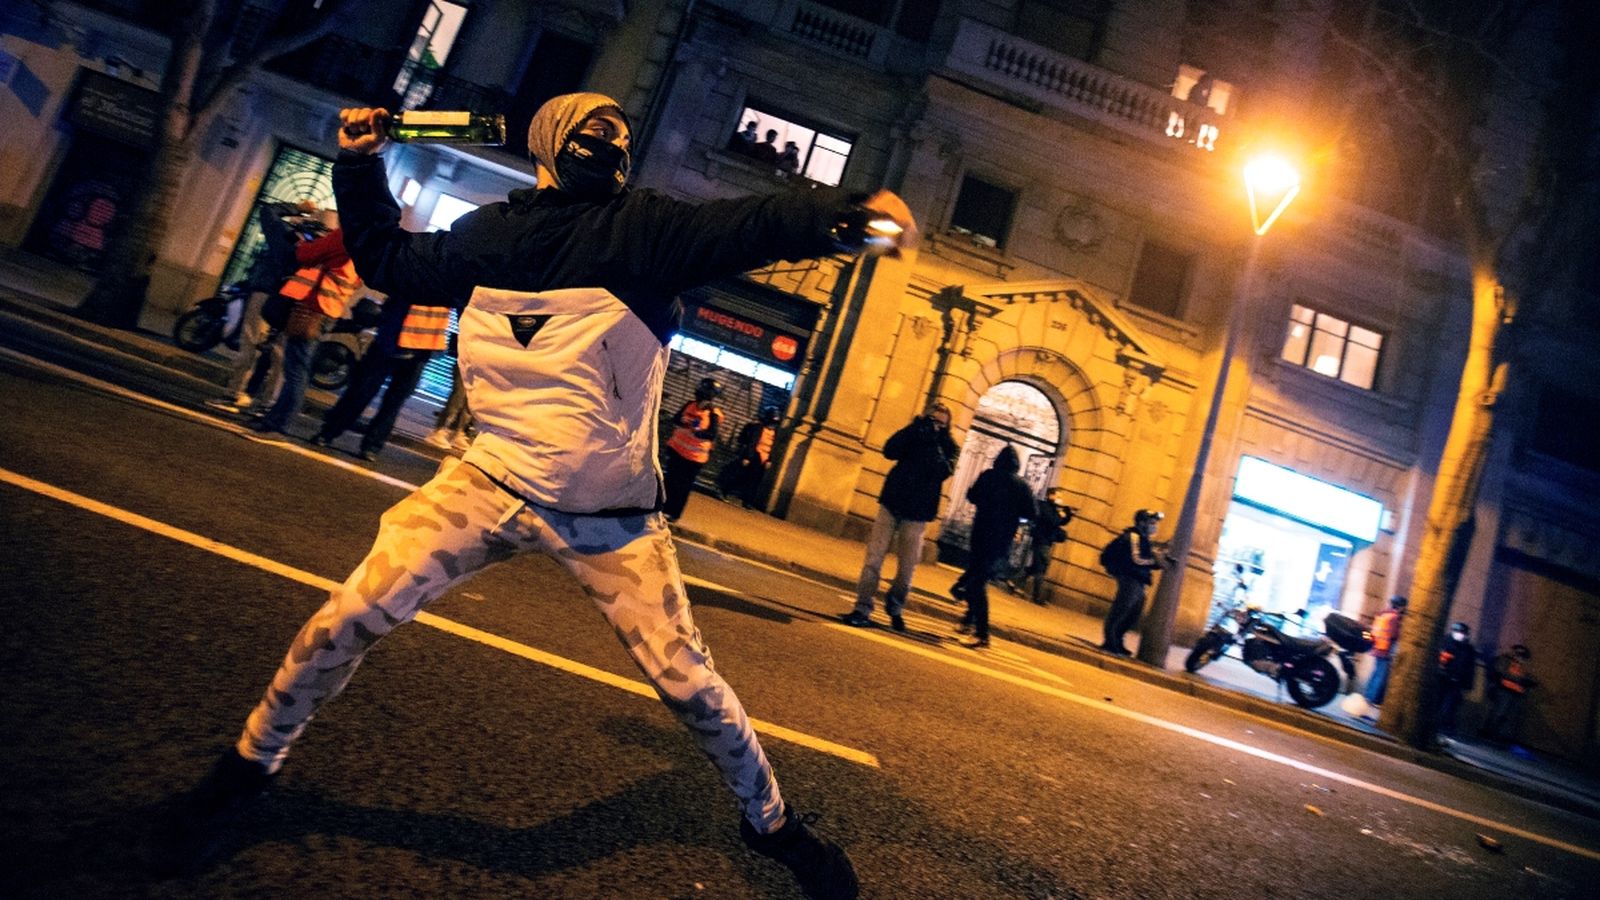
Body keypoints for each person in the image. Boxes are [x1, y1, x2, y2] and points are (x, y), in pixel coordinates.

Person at [161, 92, 916, 896]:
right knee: (345, 616)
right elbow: (387, 261)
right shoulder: (489, 235)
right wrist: (356, 162)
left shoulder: (645, 229)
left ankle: (772, 825)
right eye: (596, 130)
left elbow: (750, 224)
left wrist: (847, 216)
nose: (613, 142)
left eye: (623, 134)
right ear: (553, 141)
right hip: (487, 482)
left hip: (612, 519)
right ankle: (249, 765)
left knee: (692, 687)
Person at [841, 403, 958, 632]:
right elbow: (889, 450)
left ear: (947, 427)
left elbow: (942, 471)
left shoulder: (949, 446)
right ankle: (862, 608)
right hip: (892, 503)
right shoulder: (914, 432)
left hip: (917, 513)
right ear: (924, 418)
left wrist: (933, 441)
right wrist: (914, 430)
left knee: (907, 568)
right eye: (932, 420)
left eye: (941, 424)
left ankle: (895, 608)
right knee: (873, 560)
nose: (935, 426)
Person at [247, 211, 362, 436]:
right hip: (330, 310)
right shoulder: (366, 246)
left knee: (296, 370)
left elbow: (305, 254)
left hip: (313, 308)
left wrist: (301, 244)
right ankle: (275, 419)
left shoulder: (343, 237)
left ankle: (279, 423)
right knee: (298, 368)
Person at [206, 199, 322, 414]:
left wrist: (299, 208)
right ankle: (267, 403)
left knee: (250, 343)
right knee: (280, 354)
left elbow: (268, 210)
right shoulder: (319, 249)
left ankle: (235, 394)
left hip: (265, 293)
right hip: (293, 300)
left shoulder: (283, 235)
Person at [309, 296, 450, 460]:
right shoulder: (441, 279)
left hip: (411, 344)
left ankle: (354, 441)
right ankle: (338, 435)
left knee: (382, 398)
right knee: (365, 393)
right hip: (398, 340)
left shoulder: (443, 279)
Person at [950, 446, 1033, 649]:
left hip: (980, 534)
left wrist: (986, 505)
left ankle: (982, 633)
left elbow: (972, 496)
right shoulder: (1022, 486)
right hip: (1000, 541)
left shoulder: (988, 476)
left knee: (976, 582)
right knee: (978, 581)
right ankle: (969, 623)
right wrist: (1015, 520)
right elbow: (1031, 514)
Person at [1098, 509, 1166, 656]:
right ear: (1142, 523)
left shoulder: (1144, 538)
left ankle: (1118, 640)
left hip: (1138, 580)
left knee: (1134, 613)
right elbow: (1136, 559)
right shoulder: (1134, 536)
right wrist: (1156, 562)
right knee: (1121, 610)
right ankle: (1109, 642)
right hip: (1129, 578)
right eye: (1152, 523)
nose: (1154, 526)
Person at [662, 376, 724, 521]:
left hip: (694, 458)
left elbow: (712, 434)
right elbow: (676, 418)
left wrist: (698, 432)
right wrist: (682, 421)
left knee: (682, 486)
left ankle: (673, 513)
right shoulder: (689, 404)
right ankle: (662, 508)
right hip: (677, 450)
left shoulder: (713, 413)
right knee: (670, 481)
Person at [716, 404, 781, 507]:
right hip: (755, 456)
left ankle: (747, 501)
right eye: (772, 422)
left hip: (763, 460)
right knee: (742, 477)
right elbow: (752, 442)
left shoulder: (773, 432)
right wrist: (747, 457)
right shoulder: (758, 428)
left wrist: (769, 459)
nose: (772, 425)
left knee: (754, 481)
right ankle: (724, 489)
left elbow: (772, 447)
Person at [1019, 487, 1072, 604]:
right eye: (1058, 497)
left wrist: (1067, 514)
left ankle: (1015, 582)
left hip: (1046, 541)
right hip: (1041, 540)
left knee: (1036, 566)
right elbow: (1052, 521)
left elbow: (1061, 522)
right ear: (1050, 496)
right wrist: (1061, 515)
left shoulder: (1053, 509)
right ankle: (1036, 597)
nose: (1060, 500)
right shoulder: (1043, 506)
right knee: (1041, 567)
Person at [1481, 643, 1536, 744]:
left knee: (1508, 716)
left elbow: (1525, 678)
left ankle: (1500, 737)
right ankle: (1489, 734)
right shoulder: (1505, 660)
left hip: (1515, 694)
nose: (1521, 659)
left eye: (1523, 658)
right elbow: (1501, 674)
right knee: (1499, 713)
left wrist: (1526, 683)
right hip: (1504, 691)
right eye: (1520, 656)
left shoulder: (1521, 666)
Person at [1363, 595, 1407, 706]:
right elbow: (1394, 634)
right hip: (1385, 650)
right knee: (1381, 677)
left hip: (1377, 647)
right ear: (1400, 606)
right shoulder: (1394, 617)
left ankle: (1367, 696)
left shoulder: (1383, 614)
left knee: (1375, 674)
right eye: (1404, 607)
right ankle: (1371, 699)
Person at [423, 356, 474, 452]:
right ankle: (440, 430)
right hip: (468, 360)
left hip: (480, 364)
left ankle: (456, 431)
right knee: (459, 395)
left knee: (470, 400)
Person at [1435, 621, 1478, 737]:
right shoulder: (1445, 642)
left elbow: (1470, 668)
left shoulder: (1468, 649)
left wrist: (1467, 684)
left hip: (1456, 682)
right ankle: (1435, 725)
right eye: (1458, 632)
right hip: (1442, 679)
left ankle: (1444, 727)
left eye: (1462, 633)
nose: (1460, 635)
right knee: (1437, 702)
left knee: (1450, 706)